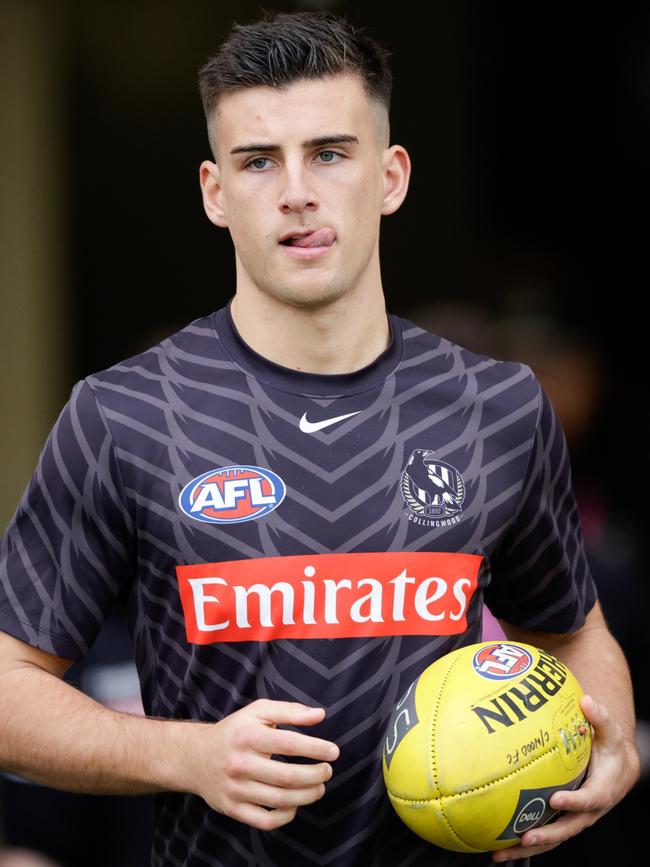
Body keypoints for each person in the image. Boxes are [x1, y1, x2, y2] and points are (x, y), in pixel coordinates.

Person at [0, 10, 640, 867]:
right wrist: (182, 754)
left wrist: (613, 744)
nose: (296, 190)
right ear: (213, 192)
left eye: (330, 153)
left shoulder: (498, 405)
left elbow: (572, 634)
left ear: (390, 174)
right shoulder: (125, 414)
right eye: (258, 161)